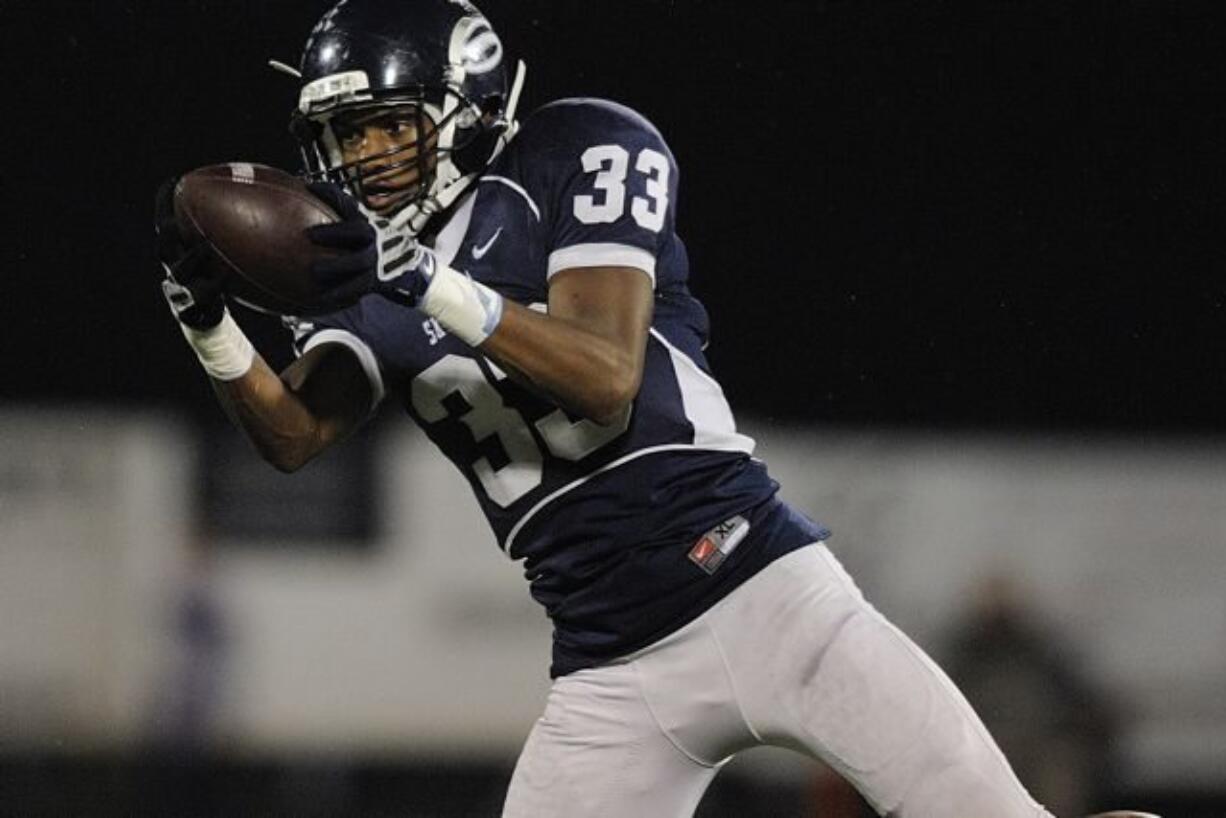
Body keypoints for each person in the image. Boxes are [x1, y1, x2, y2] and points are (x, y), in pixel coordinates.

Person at [153, 1, 1062, 815]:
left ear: (468, 107)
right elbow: (295, 433)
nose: (367, 158)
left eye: (390, 126)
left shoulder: (572, 153)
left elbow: (605, 379)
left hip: (760, 590)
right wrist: (209, 327)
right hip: (610, 667)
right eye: (346, 137)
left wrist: (427, 280)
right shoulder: (367, 273)